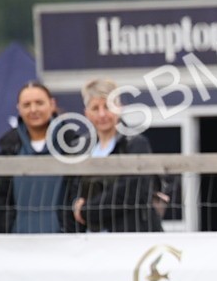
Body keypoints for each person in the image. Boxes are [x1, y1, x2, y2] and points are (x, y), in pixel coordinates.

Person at [64, 79, 162, 233]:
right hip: (89, 241)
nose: (102, 114)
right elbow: (71, 191)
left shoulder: (135, 144)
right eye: (95, 108)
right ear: (86, 113)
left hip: (130, 236)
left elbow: (131, 192)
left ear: (120, 108)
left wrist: (87, 210)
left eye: (108, 107)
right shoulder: (80, 148)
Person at [0, 81, 68, 233]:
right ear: (18, 109)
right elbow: (0, 199)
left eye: (39, 103)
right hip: (18, 240)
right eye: (26, 105)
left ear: (52, 104)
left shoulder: (71, 143)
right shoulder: (7, 148)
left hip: (65, 239)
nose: (33, 110)